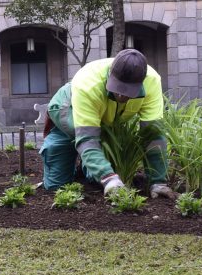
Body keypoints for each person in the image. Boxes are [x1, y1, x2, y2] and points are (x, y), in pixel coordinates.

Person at [40, 48, 176, 199]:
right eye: (117, 88)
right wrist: (109, 179)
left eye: (128, 91)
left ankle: (88, 170)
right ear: (110, 74)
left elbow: (153, 135)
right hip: (68, 107)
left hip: (105, 119)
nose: (121, 95)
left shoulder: (152, 81)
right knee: (57, 186)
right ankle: (80, 164)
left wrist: (158, 182)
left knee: (95, 176)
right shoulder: (88, 84)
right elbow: (87, 139)